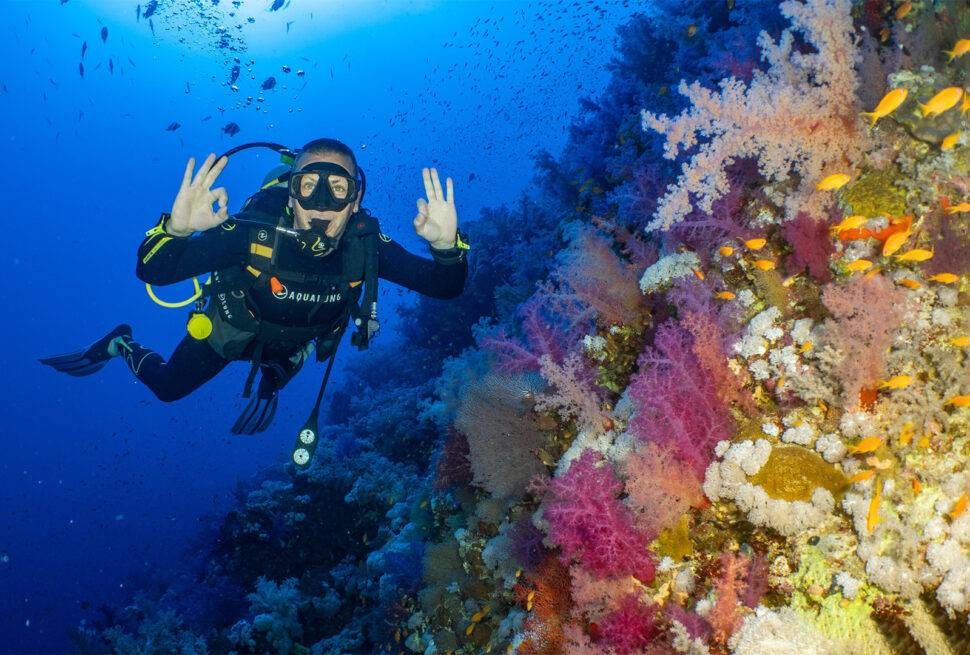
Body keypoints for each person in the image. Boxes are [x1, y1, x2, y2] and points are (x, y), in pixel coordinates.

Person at [41, 138, 468, 452]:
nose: (321, 203)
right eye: (308, 187)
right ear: (291, 195)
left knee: (283, 363)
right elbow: (152, 270)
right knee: (168, 388)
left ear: (355, 200)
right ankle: (121, 343)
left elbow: (446, 287)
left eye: (338, 189)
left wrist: (447, 248)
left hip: (294, 342)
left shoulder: (366, 246)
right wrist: (177, 229)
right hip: (231, 330)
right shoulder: (252, 233)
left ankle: (272, 378)